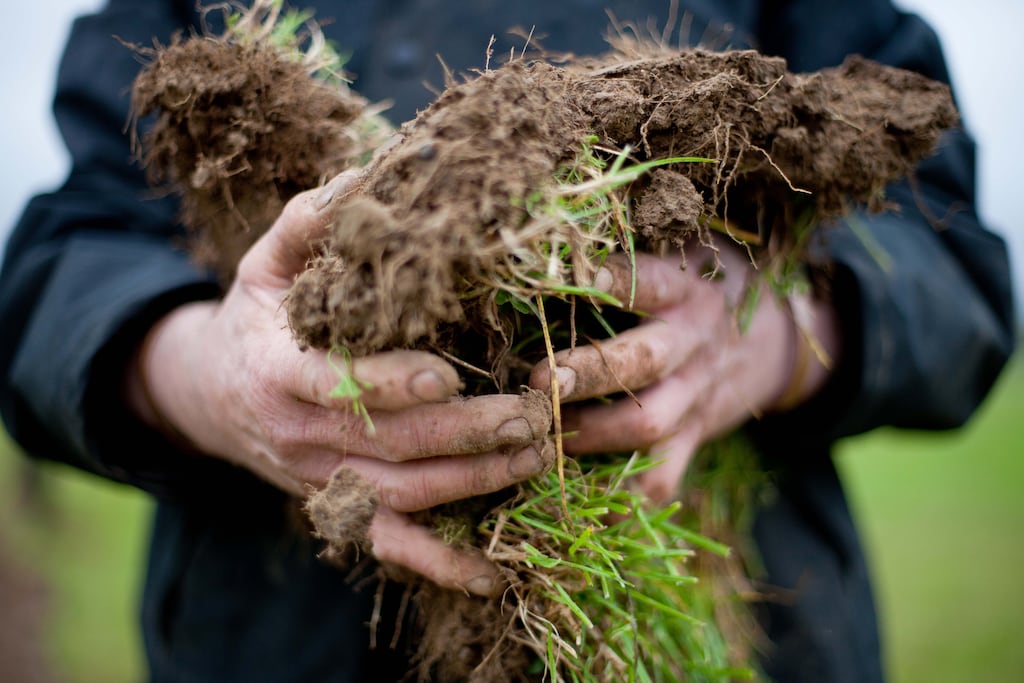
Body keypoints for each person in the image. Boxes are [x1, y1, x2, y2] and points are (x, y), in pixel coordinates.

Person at [0, 1, 1013, 682]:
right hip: (280, 631)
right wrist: (208, 376)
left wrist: (771, 335)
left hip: (730, 608)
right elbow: (64, 263)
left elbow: (952, 258)